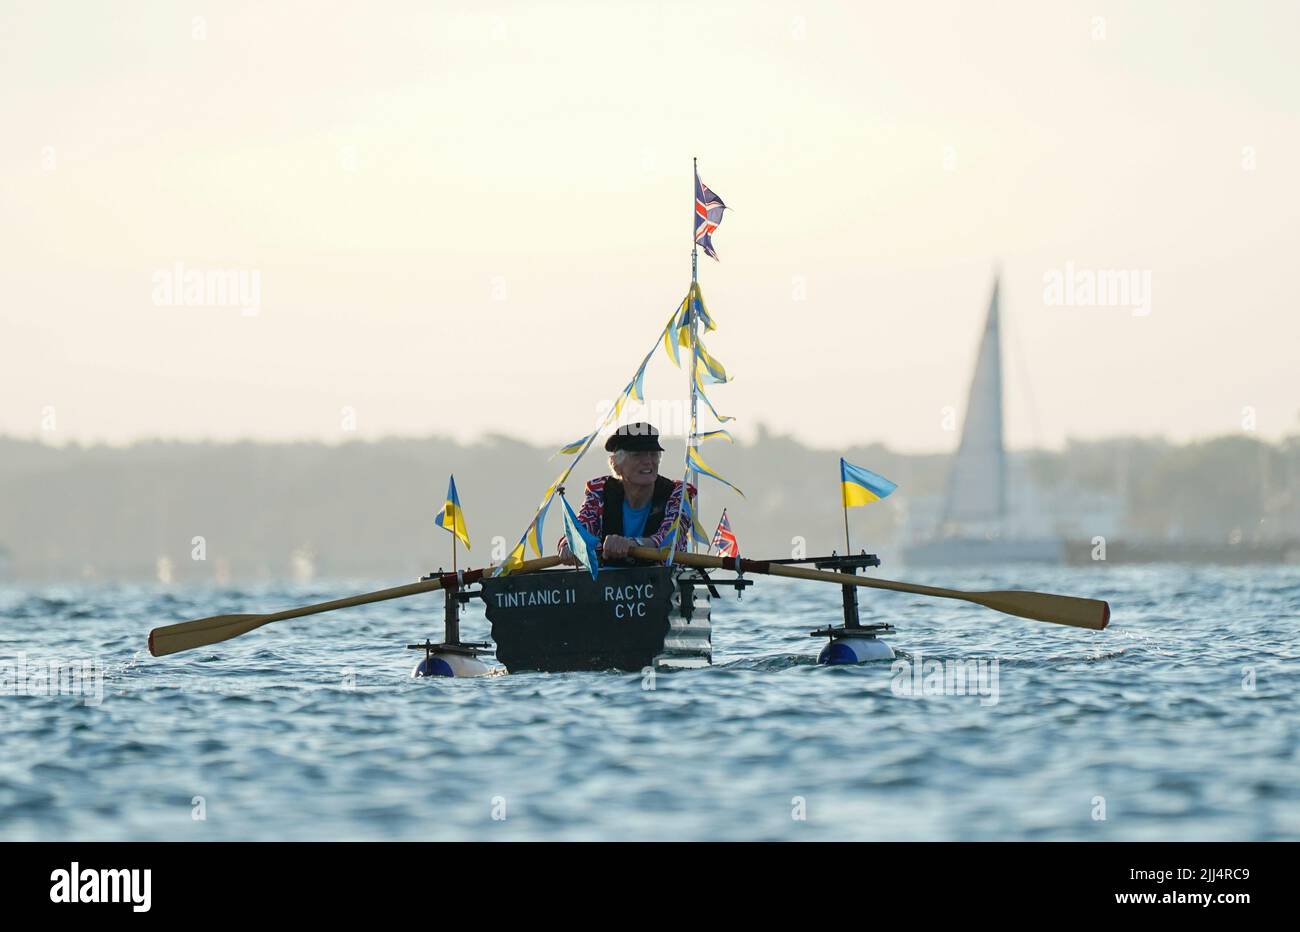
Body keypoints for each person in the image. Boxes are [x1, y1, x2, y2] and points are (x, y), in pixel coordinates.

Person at [558, 422, 695, 565]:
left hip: (664, 581)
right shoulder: (599, 492)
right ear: (617, 464)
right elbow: (581, 530)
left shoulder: (679, 493)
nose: (648, 461)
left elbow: (670, 541)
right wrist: (570, 544)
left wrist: (632, 544)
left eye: (653, 454)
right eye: (638, 455)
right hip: (609, 583)